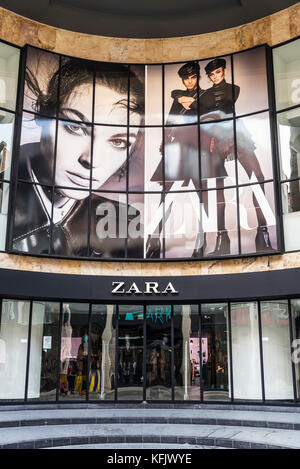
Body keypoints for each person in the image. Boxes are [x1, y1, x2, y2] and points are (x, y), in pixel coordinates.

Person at [12, 57, 145, 258]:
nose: (91, 160)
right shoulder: (6, 194)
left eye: (118, 142)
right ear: (44, 116)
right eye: (75, 128)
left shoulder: (125, 223)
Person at [199, 57, 274, 255]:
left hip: (236, 134)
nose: (215, 76)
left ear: (224, 71)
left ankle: (262, 234)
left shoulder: (234, 88)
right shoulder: (204, 96)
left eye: (218, 72)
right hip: (215, 137)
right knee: (217, 188)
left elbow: (224, 108)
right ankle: (222, 240)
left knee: (258, 178)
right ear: (209, 76)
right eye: (212, 74)